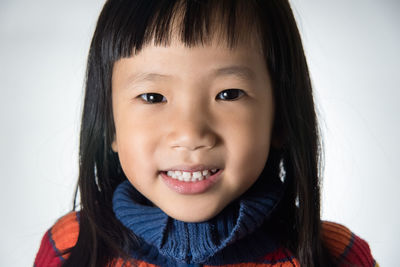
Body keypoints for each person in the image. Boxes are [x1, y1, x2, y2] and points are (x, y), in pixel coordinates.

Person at [34, 0, 378, 266]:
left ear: (280, 118)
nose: (190, 133)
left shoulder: (338, 256)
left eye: (228, 94)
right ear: (110, 124)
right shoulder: (68, 247)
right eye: (153, 97)